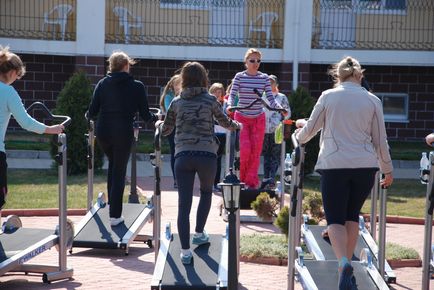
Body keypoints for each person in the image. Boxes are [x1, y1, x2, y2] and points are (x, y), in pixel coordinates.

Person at [295, 56, 393, 290]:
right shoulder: (372, 100)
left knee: (335, 219)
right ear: (360, 75)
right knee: (352, 216)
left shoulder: (329, 97)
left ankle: (342, 263)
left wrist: (298, 137)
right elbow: (381, 140)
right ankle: (346, 267)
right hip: (365, 166)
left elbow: (311, 128)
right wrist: (387, 170)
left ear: (338, 75)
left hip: (334, 164)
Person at [156, 62, 240, 264]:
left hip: (183, 156)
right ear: (204, 79)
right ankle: (199, 233)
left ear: (183, 79)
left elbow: (166, 130)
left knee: (183, 205)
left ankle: (185, 252)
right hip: (206, 156)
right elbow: (225, 122)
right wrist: (238, 125)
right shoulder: (211, 100)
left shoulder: (176, 101)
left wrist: (159, 124)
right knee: (205, 193)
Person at [87, 51, 157, 227]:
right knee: (119, 172)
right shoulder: (137, 86)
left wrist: (88, 116)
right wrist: (158, 120)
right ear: (126, 66)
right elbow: (145, 114)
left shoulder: (102, 84)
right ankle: (115, 216)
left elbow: (92, 112)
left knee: (113, 166)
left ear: (111, 66)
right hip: (123, 132)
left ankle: (112, 207)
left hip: (103, 132)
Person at [0, 46, 64, 219]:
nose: (17, 79)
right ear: (13, 72)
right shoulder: (8, 92)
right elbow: (26, 122)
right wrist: (52, 129)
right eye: (18, 75)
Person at [226, 48, 283, 189]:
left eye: (258, 61)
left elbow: (270, 97)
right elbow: (232, 95)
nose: (255, 63)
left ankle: (251, 183)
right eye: (252, 60)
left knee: (256, 152)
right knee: (245, 150)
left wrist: (279, 107)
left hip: (258, 118)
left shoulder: (264, 78)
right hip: (242, 118)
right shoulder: (239, 76)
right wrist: (229, 105)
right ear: (246, 62)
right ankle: (242, 180)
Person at [260, 75, 290, 189]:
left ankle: (272, 178)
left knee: (275, 155)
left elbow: (288, 113)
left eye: (272, 82)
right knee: (266, 154)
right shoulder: (262, 96)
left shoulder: (281, 97)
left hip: (277, 130)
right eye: (268, 82)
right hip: (263, 129)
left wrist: (279, 119)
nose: (270, 84)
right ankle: (266, 178)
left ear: (276, 84)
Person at [159, 74, 181, 188]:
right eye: (177, 84)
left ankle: (182, 178)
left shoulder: (184, 95)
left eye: (181, 83)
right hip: (172, 128)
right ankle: (176, 179)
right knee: (175, 153)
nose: (179, 86)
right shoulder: (169, 96)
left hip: (182, 127)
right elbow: (170, 111)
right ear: (172, 85)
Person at [209, 82, 226, 192]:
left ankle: (216, 183)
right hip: (211, 133)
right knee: (210, 158)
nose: (218, 94)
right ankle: (208, 182)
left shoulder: (225, 104)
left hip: (222, 133)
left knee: (218, 159)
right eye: (216, 92)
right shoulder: (209, 103)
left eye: (220, 92)